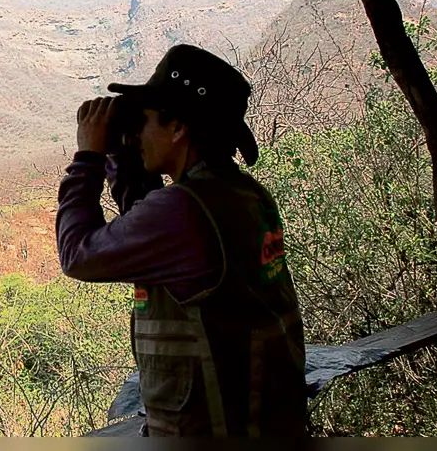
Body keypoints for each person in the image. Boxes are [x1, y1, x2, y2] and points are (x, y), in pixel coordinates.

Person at [56, 44, 308, 437]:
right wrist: (124, 158)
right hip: (263, 421)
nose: (138, 133)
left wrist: (88, 156)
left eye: (145, 121)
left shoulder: (184, 211)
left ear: (178, 128)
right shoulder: (242, 193)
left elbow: (77, 255)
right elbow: (153, 234)